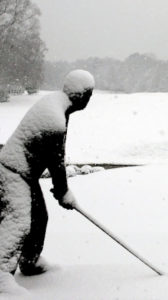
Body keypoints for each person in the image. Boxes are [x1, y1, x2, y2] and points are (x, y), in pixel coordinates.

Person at [0, 70, 95, 292]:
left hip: (24, 174)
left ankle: (29, 262)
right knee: (19, 223)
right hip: (13, 173)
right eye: (89, 95)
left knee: (39, 218)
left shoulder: (56, 104)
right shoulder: (55, 121)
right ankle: (1, 277)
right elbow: (56, 161)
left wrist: (62, 191)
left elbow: (57, 154)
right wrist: (62, 191)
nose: (89, 101)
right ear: (81, 95)